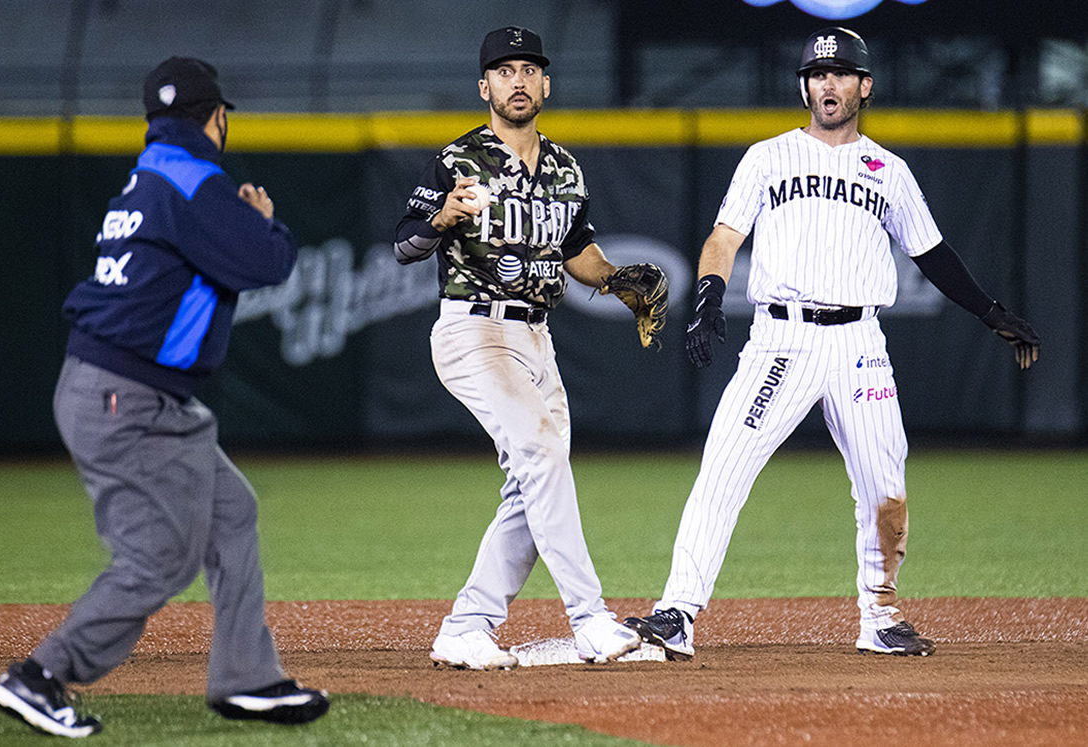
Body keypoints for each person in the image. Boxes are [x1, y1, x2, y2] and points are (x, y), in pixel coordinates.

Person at [625, 27, 1041, 660]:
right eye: (818, 74)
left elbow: (931, 252)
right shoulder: (768, 157)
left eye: (842, 73)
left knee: (885, 486)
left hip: (860, 345)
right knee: (724, 469)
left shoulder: (889, 172)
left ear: (864, 86)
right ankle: (678, 611)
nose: (828, 83)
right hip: (781, 340)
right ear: (804, 85)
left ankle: (880, 615)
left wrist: (989, 312)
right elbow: (724, 236)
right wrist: (708, 297)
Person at [0, 57, 329, 737]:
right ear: (218, 118)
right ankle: (40, 673)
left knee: (230, 512)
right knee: (159, 558)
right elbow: (267, 263)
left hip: (125, 391)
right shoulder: (196, 182)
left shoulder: (147, 178)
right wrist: (265, 221)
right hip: (129, 398)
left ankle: (247, 678)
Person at [394, 26, 654, 669]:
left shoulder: (565, 166)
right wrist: (440, 220)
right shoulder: (458, 160)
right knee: (541, 456)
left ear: (544, 84)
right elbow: (403, 243)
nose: (517, 79)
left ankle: (466, 626)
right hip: (475, 329)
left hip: (538, 337)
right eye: (503, 70)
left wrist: (619, 282)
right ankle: (590, 617)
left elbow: (577, 254)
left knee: (534, 482)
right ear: (485, 87)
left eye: (528, 68)